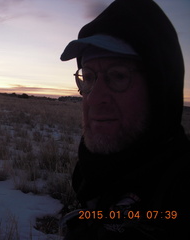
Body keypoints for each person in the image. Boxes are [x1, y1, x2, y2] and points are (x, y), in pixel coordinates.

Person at [59, 0, 190, 239]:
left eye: (118, 76)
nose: (94, 97)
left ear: (160, 90)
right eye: (88, 77)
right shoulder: (89, 173)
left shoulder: (180, 186)